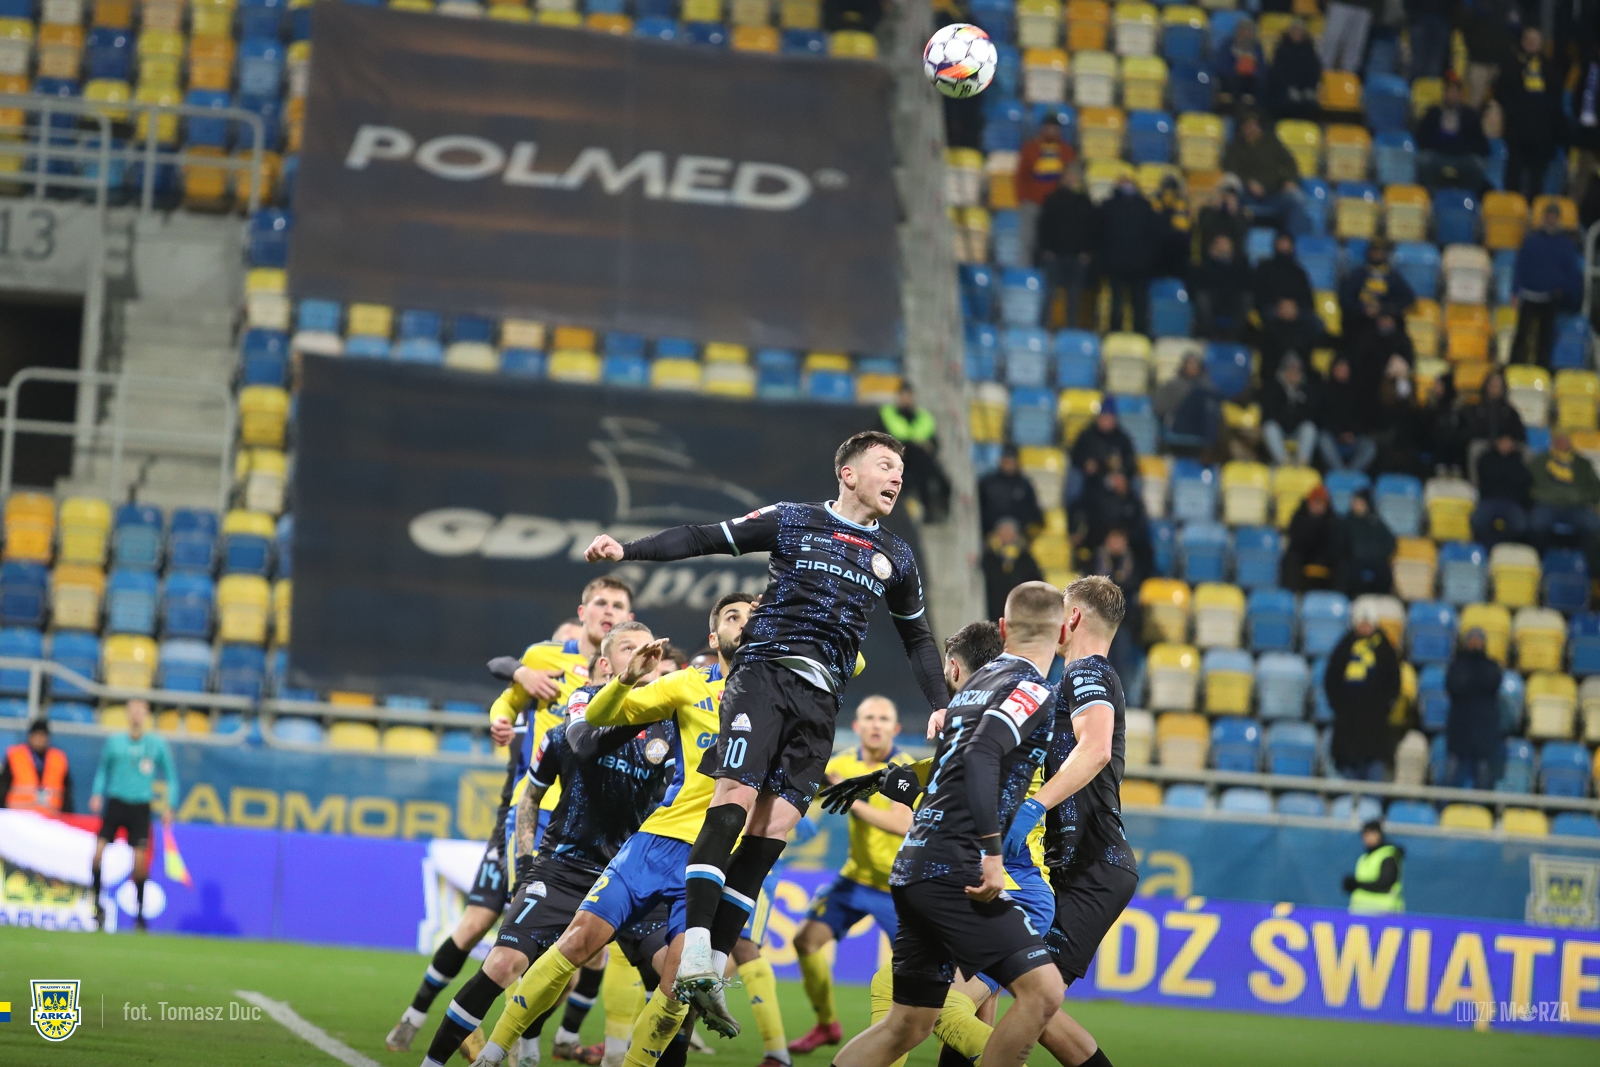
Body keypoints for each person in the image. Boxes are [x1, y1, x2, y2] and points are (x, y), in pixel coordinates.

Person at [580, 430, 949, 1032]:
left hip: (822, 701)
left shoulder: (896, 556)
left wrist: (939, 703)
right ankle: (694, 953)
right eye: (885, 465)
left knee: (773, 829)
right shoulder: (793, 519)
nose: (897, 476)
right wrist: (628, 550)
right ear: (848, 474)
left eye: (899, 469)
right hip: (764, 676)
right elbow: (703, 537)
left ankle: (710, 968)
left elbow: (918, 639)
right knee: (734, 799)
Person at [475, 593, 759, 1067]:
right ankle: (493, 1052)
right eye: (733, 616)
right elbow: (601, 718)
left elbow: (852, 661)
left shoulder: (782, 697)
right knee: (577, 942)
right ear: (714, 638)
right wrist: (626, 679)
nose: (746, 623)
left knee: (678, 985)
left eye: (755, 616)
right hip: (654, 843)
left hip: (712, 860)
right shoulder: (687, 683)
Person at [389, 580, 635, 1054]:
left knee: (574, 951)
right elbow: (507, 692)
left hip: (593, 825)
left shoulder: (634, 676)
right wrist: (504, 710)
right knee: (515, 931)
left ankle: (526, 1040)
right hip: (537, 812)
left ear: (629, 615)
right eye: (601, 602)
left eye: (618, 605)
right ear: (582, 611)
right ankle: (508, 1045)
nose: (608, 610)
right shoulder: (546, 658)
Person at [828, 583, 1067, 1067]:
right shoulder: (1030, 689)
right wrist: (993, 853)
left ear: (1004, 629)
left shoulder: (973, 688)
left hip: (916, 864)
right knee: (1043, 991)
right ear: (1064, 634)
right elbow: (981, 754)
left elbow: (951, 771)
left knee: (907, 1025)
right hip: (958, 868)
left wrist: (896, 784)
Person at [788, 697, 914, 1054]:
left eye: (883, 719)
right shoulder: (842, 764)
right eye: (869, 718)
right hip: (855, 878)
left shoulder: (905, 768)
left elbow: (902, 823)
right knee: (805, 941)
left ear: (895, 729)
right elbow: (809, 792)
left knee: (914, 973)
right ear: (857, 727)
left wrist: (850, 797)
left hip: (899, 887)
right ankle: (826, 1024)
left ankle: (937, 1041)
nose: (876, 724)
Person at [89, 698, 179, 932]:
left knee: (139, 863)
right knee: (97, 855)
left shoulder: (156, 745)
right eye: (133, 711)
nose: (137, 715)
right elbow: (103, 769)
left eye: (141, 711)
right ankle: (97, 907)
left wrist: (170, 806)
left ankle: (139, 915)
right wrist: (97, 793)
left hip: (140, 806)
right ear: (128, 714)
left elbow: (171, 776)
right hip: (116, 802)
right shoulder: (115, 742)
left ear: (147, 715)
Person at [1325, 608, 1403, 780]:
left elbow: (1394, 683)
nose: (1365, 626)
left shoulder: (1384, 649)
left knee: (1373, 783)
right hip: (1347, 732)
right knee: (1347, 785)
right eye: (1362, 622)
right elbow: (1331, 680)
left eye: (1368, 622)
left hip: (1375, 733)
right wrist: (1340, 707)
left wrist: (1384, 707)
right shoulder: (1344, 647)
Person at [1496, 28, 1565, 200]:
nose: (1532, 44)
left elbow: (1556, 99)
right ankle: (1511, 206)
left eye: (1536, 40)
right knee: (1514, 174)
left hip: (1542, 133)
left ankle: (1535, 207)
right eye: (1529, 40)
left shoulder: (1550, 67)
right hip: (1516, 130)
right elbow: (1501, 92)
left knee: (1537, 177)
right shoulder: (1511, 64)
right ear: (1523, 42)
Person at [1510, 203, 1583, 367]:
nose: (1550, 219)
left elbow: (1571, 272)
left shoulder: (1565, 245)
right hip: (1528, 295)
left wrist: (1566, 293)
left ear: (1558, 218)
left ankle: (1542, 369)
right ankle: (1514, 367)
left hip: (1550, 298)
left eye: (1553, 216)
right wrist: (1515, 290)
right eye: (1548, 215)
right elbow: (1520, 266)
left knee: (1545, 337)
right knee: (1522, 335)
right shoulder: (1531, 240)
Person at [1035, 161, 1097, 329]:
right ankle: (1043, 328)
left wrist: (1087, 252)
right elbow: (1044, 226)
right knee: (1049, 293)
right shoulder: (1052, 199)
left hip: (1077, 257)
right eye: (1069, 175)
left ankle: (1071, 330)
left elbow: (1092, 229)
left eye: (1075, 176)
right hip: (1054, 255)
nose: (1072, 179)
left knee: (1074, 296)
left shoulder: (1085, 202)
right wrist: (1046, 249)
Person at [1221, 113, 1308, 234]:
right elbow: (1231, 170)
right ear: (1242, 128)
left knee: (1297, 198)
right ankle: (1233, 238)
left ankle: (1290, 239)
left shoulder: (1272, 143)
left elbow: (1290, 163)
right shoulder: (1234, 147)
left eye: (1253, 125)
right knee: (1228, 198)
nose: (1251, 129)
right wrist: (1248, 183)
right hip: (1246, 195)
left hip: (1274, 193)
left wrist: (1290, 180)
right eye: (1247, 125)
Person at [1096, 174, 1162, 333]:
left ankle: (1140, 333)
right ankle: (1114, 332)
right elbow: (1101, 235)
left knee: (1139, 302)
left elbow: (1153, 236)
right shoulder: (1108, 206)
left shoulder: (1145, 206)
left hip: (1139, 265)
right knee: (1116, 301)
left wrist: (1147, 259)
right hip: (1116, 264)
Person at [877, 385, 951, 522]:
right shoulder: (887, 415)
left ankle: (936, 512)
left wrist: (927, 446)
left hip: (920, 460)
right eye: (903, 396)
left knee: (942, 481)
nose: (906, 399)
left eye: (909, 396)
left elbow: (935, 444)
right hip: (898, 459)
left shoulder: (924, 418)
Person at [1444, 628, 1505, 790]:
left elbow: (1492, 683)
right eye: (1472, 639)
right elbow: (1453, 686)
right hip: (1459, 727)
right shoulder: (1457, 665)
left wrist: (1469, 682)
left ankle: (1482, 805)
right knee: (1451, 771)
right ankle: (1443, 803)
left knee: (1483, 772)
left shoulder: (1491, 666)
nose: (1475, 643)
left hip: (1483, 730)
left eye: (1478, 640)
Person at [1415, 76, 1490, 191]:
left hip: (1463, 156)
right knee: (1424, 161)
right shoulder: (1433, 112)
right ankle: (1429, 194)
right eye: (1449, 92)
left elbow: (1481, 144)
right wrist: (1441, 144)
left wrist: (1460, 146)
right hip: (1438, 154)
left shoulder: (1470, 115)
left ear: (1460, 94)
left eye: (1454, 92)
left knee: (1477, 164)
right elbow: (1421, 138)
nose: (1451, 95)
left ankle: (1470, 196)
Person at [1528, 430, 1600, 549]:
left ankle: (1584, 556)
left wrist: (1582, 498)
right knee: (1537, 525)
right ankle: (1539, 555)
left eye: (1565, 439)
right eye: (1558, 439)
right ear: (1552, 441)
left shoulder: (1582, 463)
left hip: (1577, 507)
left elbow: (1595, 489)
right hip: (1546, 505)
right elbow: (1528, 484)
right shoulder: (1540, 460)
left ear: (1570, 442)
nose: (1561, 442)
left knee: (1594, 525)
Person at [1471, 431, 1533, 546]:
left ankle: (1504, 547)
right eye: (1502, 441)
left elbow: (1524, 481)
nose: (1505, 444)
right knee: (1478, 522)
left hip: (1513, 502)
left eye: (1508, 441)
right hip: (1489, 500)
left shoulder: (1521, 460)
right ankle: (1489, 548)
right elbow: (1483, 478)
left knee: (1519, 526)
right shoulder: (1486, 458)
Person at [1261, 353, 1322, 467]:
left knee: (1310, 428)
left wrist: (1296, 399)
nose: (1294, 374)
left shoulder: (1306, 389)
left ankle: (1302, 462)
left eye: (1297, 371)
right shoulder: (1273, 388)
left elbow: (1310, 414)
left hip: (1297, 429)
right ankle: (1283, 461)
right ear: (1284, 371)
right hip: (1279, 429)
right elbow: (1270, 413)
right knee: (1269, 427)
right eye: (1290, 370)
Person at [1155, 354, 1222, 456]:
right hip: (1179, 424)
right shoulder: (1171, 385)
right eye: (1190, 364)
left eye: (1195, 365)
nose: (1193, 368)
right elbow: (1159, 409)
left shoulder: (1207, 385)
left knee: (1209, 402)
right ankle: (1209, 446)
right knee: (1201, 392)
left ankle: (1209, 446)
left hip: (1200, 425)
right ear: (1183, 366)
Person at [1318, 359, 1379, 472]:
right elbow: (1322, 418)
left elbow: (1363, 417)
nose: (1343, 371)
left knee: (1369, 446)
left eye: (1345, 368)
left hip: (1353, 438)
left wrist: (1352, 433)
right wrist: (1339, 434)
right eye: (1340, 368)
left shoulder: (1358, 392)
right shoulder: (1324, 390)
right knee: (1323, 439)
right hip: (1333, 437)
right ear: (1333, 369)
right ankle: (1340, 473)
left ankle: (1350, 474)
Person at [2, 718, 72, 814]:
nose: (40, 739)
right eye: (37, 735)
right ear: (30, 736)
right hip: (18, 815)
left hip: (50, 816)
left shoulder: (58, 758)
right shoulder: (16, 755)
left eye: (43, 735)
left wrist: (67, 815)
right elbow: (3, 786)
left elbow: (67, 792)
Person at [1281, 485, 1343, 591]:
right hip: (1303, 556)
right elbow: (1295, 540)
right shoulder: (1299, 517)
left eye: (1321, 503)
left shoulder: (1333, 520)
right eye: (1315, 502)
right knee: (1291, 558)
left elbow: (1335, 544)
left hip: (1325, 557)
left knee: (1342, 562)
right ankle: (1291, 594)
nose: (1317, 506)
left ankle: (1338, 595)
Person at [1189, 233, 1250, 340]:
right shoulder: (1203, 266)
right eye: (1219, 244)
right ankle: (1208, 334)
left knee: (1246, 297)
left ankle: (1236, 335)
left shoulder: (1239, 267)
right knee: (1202, 298)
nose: (1223, 247)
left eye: (1226, 244)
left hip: (1231, 299)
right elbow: (1196, 285)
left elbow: (1245, 285)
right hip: (1211, 298)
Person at [984, 518, 1047, 621]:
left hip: (1020, 609)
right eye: (1003, 532)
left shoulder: (1025, 557)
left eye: (1009, 532)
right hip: (994, 608)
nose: (1006, 535)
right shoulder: (990, 556)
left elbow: (1037, 580)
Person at [1341, 820, 1405, 914]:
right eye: (1364, 834)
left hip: (1384, 914)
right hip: (1361, 912)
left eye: (1369, 834)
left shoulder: (1388, 855)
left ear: (1378, 834)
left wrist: (1357, 884)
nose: (1365, 838)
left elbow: (1385, 882)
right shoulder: (1364, 858)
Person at [1069, 397, 1139, 483]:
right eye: (1104, 417)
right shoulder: (1087, 436)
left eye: (1109, 418)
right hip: (1090, 479)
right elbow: (1075, 455)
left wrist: (1122, 475)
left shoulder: (1122, 439)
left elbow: (1130, 462)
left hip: (1115, 479)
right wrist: (1085, 463)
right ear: (1098, 418)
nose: (1106, 421)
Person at [978, 445, 1044, 536]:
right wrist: (997, 526)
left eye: (1011, 461)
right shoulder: (987, 483)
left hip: (1019, 533)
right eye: (1006, 461)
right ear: (1001, 461)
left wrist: (1016, 526)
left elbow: (1034, 513)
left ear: (1017, 462)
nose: (1009, 465)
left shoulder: (1024, 484)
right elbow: (980, 511)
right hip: (991, 533)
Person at [1340, 490, 1396, 596]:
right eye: (1355, 502)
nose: (1357, 505)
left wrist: (1378, 554)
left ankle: (1383, 598)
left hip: (1375, 560)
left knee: (1384, 572)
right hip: (1353, 560)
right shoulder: (1346, 522)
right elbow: (1341, 544)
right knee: (1346, 570)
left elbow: (1390, 542)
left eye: (1360, 502)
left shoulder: (1375, 522)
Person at [1266, 18, 1323, 120]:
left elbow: (1314, 71)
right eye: (1294, 30)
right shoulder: (1281, 50)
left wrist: (1309, 88)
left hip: (1305, 91)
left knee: (1311, 105)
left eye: (1299, 30)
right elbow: (1277, 73)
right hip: (1284, 90)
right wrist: (1289, 88)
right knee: (1287, 102)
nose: (1296, 33)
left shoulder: (1310, 51)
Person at [1212, 18, 1266, 111]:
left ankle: (1257, 113)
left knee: (1261, 84)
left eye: (1248, 31)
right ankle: (1236, 110)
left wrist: (1252, 71)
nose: (1245, 33)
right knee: (1234, 82)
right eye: (1243, 30)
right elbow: (1220, 66)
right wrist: (1236, 69)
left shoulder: (1257, 48)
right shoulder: (1227, 45)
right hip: (1231, 78)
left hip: (1251, 79)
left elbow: (1262, 68)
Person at [1319, 0, 1379, 72]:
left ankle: (1348, 75)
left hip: (1365, 7)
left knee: (1354, 48)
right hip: (1340, 4)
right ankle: (1321, 73)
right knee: (1331, 42)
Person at [1405, 0, 1452, 77]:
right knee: (1419, 63)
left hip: (1442, 16)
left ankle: (1429, 84)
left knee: (1435, 65)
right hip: (1419, 15)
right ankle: (1418, 83)